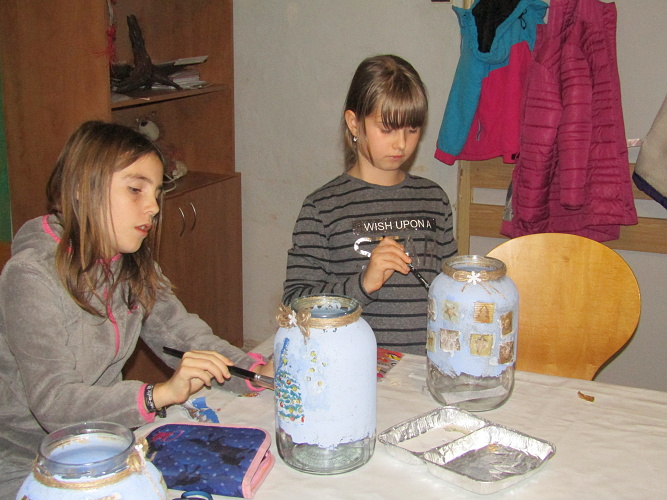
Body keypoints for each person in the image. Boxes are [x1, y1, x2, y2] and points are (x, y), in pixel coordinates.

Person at [0, 121, 273, 496]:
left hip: (109, 446)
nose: (153, 207)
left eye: (157, 192)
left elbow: (182, 336)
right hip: (30, 465)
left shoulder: (128, 262)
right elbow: (54, 401)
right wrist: (155, 395)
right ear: (80, 188)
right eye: (135, 189)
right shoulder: (31, 276)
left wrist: (254, 371)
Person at [283, 54, 457, 355]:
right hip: (352, 366)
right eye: (387, 129)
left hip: (426, 366)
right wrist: (363, 284)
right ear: (354, 123)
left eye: (412, 129)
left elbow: (451, 286)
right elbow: (295, 303)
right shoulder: (322, 208)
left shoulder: (434, 199)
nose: (401, 143)